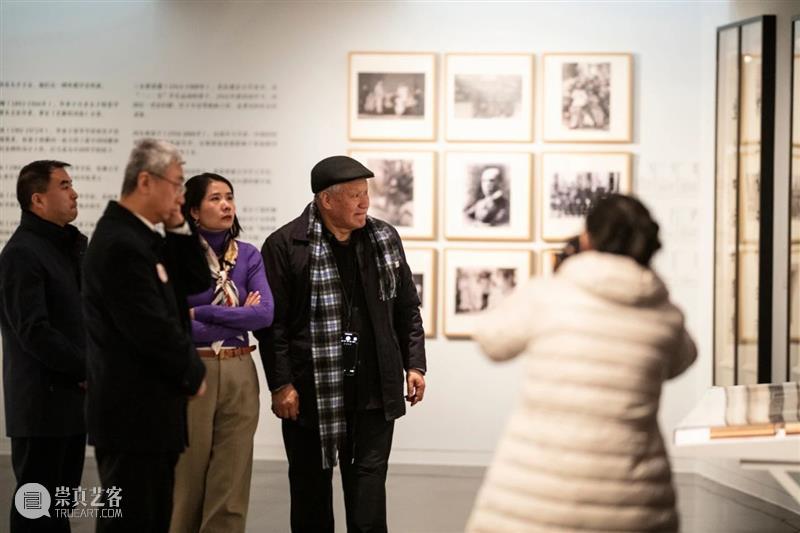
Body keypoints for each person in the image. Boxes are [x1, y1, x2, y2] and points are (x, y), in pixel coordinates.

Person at [466, 194, 697, 533]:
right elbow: (681, 362)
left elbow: (491, 341)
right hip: (633, 499)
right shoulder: (665, 314)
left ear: (588, 236)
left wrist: (556, 274)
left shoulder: (549, 293)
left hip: (535, 493)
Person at [255, 155, 427, 533]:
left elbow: (407, 308)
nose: (364, 203)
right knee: (310, 495)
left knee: (368, 494)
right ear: (326, 200)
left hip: (373, 390)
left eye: (365, 194)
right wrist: (281, 384)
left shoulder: (384, 239)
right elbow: (273, 326)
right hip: (311, 389)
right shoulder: (286, 245)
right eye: (354, 196)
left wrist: (415, 365)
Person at [83, 139, 210, 533]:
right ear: (145, 181)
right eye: (176, 183)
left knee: (152, 517)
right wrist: (193, 374)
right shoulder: (119, 243)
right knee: (134, 520)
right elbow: (150, 328)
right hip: (132, 412)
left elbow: (196, 282)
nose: (180, 193)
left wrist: (177, 226)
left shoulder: (142, 236)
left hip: (152, 412)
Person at [170, 173, 274, 533]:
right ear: (194, 210)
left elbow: (263, 315)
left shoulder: (247, 255)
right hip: (192, 369)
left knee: (231, 477)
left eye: (229, 197)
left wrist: (204, 313)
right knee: (188, 476)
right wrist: (237, 315)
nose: (226, 205)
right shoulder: (175, 255)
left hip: (240, 367)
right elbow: (172, 325)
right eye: (215, 199)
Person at [0, 160, 86, 532]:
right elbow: (34, 331)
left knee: (59, 504)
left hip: (70, 401)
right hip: (41, 405)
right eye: (64, 185)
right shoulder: (22, 253)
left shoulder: (70, 247)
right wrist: (87, 367)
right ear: (37, 199)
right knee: (36, 507)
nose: (74, 193)